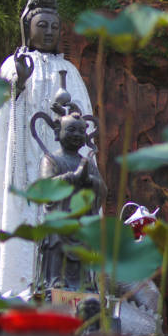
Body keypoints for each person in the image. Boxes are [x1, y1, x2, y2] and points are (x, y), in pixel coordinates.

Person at [0, 0, 96, 295]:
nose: (49, 32)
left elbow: (84, 121)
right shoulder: (13, 64)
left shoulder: (71, 71)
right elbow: (4, 106)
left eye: (54, 27)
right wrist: (20, 84)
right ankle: (13, 286)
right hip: (25, 162)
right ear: (28, 28)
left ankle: (67, 291)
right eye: (42, 26)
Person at [38, 110, 107, 292]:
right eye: (71, 130)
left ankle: (84, 283)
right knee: (57, 241)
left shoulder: (87, 163)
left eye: (80, 131)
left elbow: (103, 189)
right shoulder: (51, 160)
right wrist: (71, 177)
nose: (77, 135)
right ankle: (55, 281)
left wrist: (89, 180)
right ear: (57, 132)